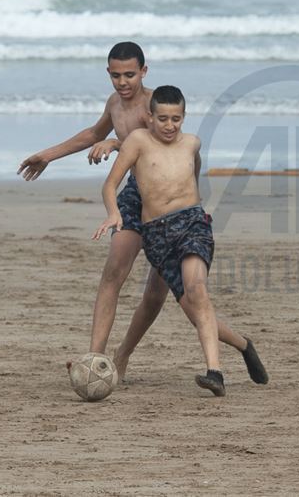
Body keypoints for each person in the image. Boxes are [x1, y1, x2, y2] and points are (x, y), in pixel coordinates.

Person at [18, 43, 267, 387]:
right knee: (114, 271)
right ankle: (97, 359)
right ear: (109, 73)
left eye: (130, 75)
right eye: (116, 75)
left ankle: (128, 355)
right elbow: (94, 133)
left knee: (157, 295)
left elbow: (153, 140)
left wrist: (117, 145)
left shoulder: (154, 107)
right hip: (135, 197)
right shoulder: (114, 104)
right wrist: (48, 155)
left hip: (163, 203)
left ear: (144, 71)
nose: (123, 82)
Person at [93, 86, 267, 396]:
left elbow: (192, 176)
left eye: (176, 119)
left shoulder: (192, 144)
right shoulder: (137, 142)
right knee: (189, 306)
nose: (170, 126)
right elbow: (110, 185)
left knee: (196, 291)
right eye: (162, 119)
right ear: (149, 117)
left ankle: (215, 373)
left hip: (192, 225)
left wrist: (190, 207)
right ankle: (243, 345)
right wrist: (113, 213)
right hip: (157, 234)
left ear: (184, 118)